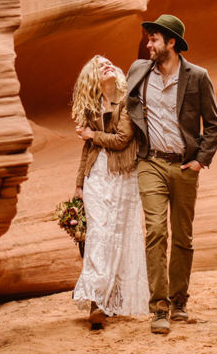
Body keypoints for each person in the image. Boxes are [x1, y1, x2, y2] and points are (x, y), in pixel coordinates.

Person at [125, 14, 217, 334]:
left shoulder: (197, 77)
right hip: (149, 161)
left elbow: (213, 124)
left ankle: (179, 300)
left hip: (184, 165)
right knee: (155, 231)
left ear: (171, 43)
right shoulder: (138, 71)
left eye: (154, 39)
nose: (148, 44)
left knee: (183, 236)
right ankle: (159, 307)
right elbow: (122, 108)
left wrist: (200, 161)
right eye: (148, 38)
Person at [71, 55, 149, 328]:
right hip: (97, 176)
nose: (106, 64)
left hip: (123, 176)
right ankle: (95, 300)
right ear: (92, 76)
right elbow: (87, 150)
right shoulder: (92, 107)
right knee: (99, 235)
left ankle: (109, 300)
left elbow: (122, 139)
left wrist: (93, 135)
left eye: (108, 62)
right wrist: (79, 184)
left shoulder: (129, 101)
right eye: (99, 64)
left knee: (119, 235)